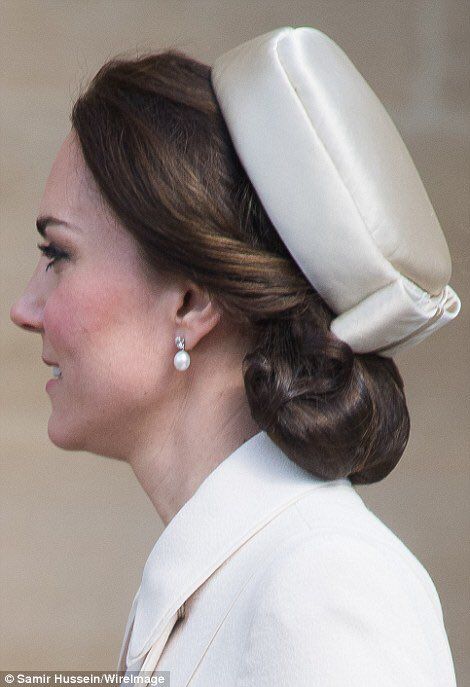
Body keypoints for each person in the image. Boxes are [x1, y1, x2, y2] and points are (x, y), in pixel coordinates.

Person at [10, 26, 460, 686]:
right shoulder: (227, 579)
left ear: (191, 301)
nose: (25, 309)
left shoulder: (320, 586)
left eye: (59, 255)